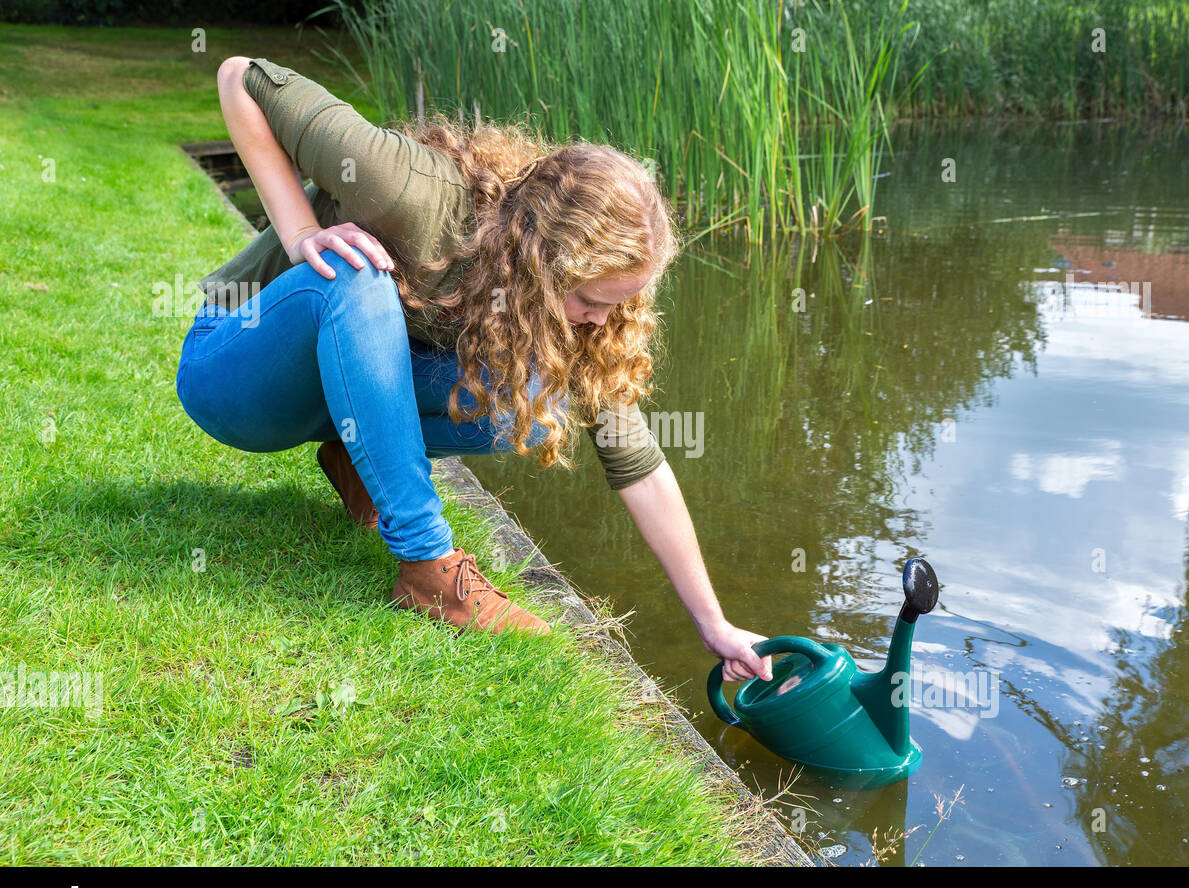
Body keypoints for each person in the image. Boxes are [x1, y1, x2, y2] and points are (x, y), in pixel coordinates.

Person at [175, 56, 772, 683]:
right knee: (356, 273)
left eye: (617, 303)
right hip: (236, 374)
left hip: (338, 390)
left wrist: (714, 624)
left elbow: (637, 463)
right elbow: (240, 77)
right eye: (590, 301)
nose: (600, 320)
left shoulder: (583, 314)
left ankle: (362, 458)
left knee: (543, 405)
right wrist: (300, 233)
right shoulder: (407, 190)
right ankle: (431, 569)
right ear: (542, 263)